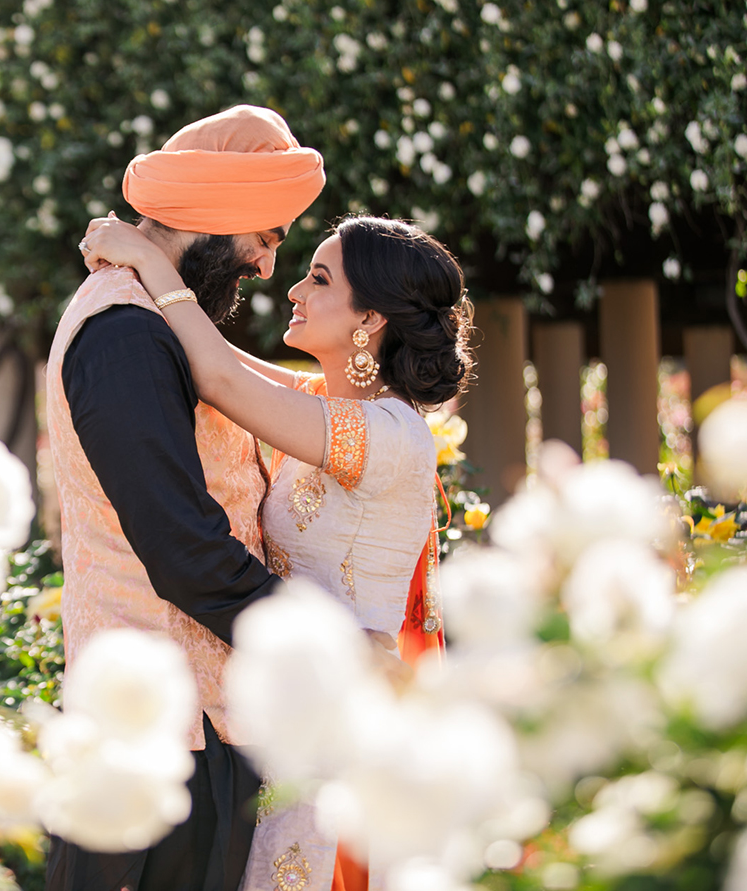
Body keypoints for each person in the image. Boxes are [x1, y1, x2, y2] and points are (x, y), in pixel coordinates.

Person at [79, 212, 472, 891]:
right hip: (288, 725)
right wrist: (141, 269)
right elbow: (218, 364)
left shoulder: (391, 435)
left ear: (369, 318)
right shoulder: (328, 406)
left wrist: (146, 257)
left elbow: (221, 382)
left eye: (318, 279)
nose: (293, 289)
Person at [42, 103, 323, 891]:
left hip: (182, 730)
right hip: (162, 745)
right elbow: (184, 550)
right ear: (217, 214)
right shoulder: (125, 334)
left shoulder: (152, 318)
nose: (269, 266)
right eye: (267, 235)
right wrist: (323, 649)